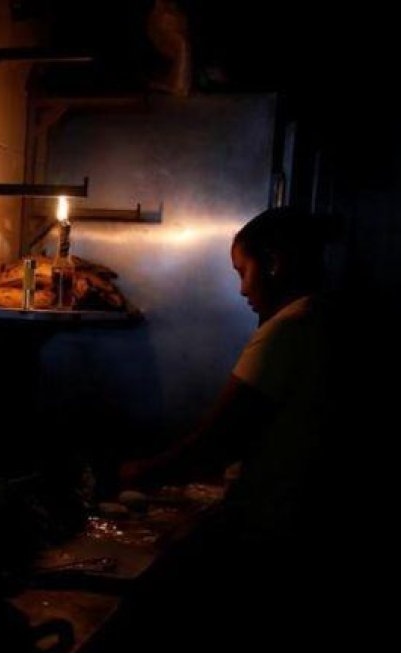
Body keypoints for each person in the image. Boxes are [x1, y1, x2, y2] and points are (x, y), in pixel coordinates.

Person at [121, 206, 337, 551]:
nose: (241, 289)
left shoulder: (288, 328)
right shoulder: (324, 315)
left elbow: (221, 440)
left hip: (272, 525)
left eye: (243, 271)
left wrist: (141, 473)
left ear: (272, 263)